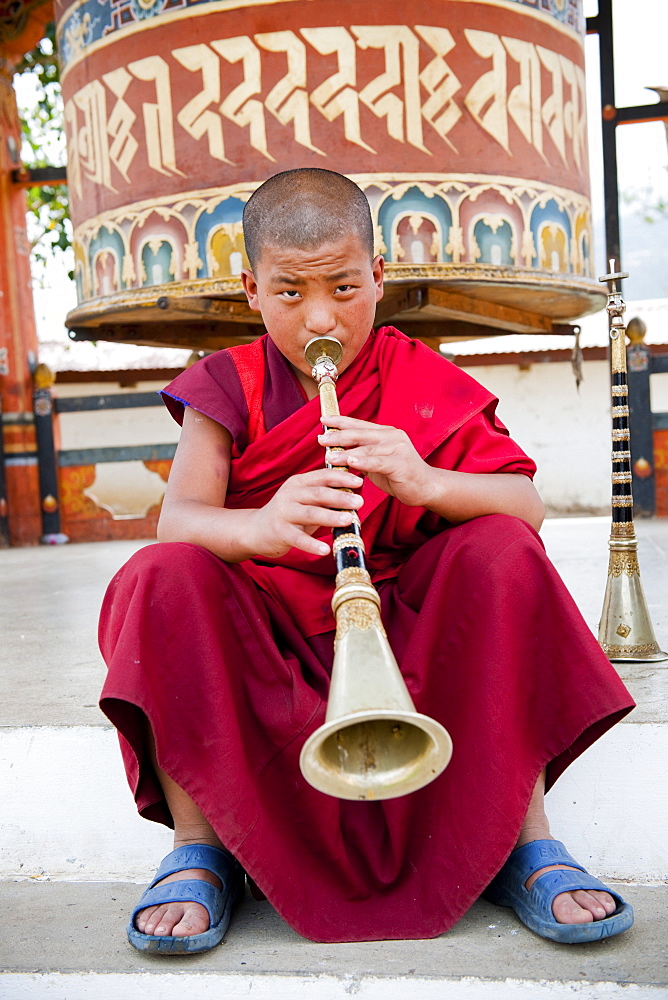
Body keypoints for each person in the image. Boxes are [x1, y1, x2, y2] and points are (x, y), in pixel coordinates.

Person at [99, 168, 635, 954]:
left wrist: (422, 479)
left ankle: (526, 841)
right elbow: (177, 522)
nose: (322, 317)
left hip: (405, 627)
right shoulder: (229, 383)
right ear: (251, 288)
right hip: (269, 637)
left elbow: (528, 508)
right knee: (159, 577)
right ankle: (198, 846)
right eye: (290, 294)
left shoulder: (418, 376)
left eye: (345, 287)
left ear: (379, 275)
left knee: (501, 552)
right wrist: (264, 526)